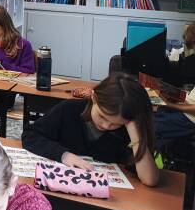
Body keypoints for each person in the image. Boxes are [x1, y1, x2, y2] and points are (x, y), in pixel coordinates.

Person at [22, 73, 159, 186]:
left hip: (109, 200)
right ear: (93, 97)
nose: (106, 126)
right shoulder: (69, 110)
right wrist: (63, 155)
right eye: (102, 116)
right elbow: (30, 135)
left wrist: (134, 128)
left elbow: (149, 179)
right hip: (63, 187)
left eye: (115, 123)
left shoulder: (126, 131)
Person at [155, 22, 195, 149]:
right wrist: (175, 95)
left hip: (189, 119)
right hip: (185, 109)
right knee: (156, 111)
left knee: (146, 124)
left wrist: (171, 104)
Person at [0, 5, 34, 73]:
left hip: (12, 79)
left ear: (4, 26)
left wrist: (1, 65)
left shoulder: (23, 45)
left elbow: (29, 72)